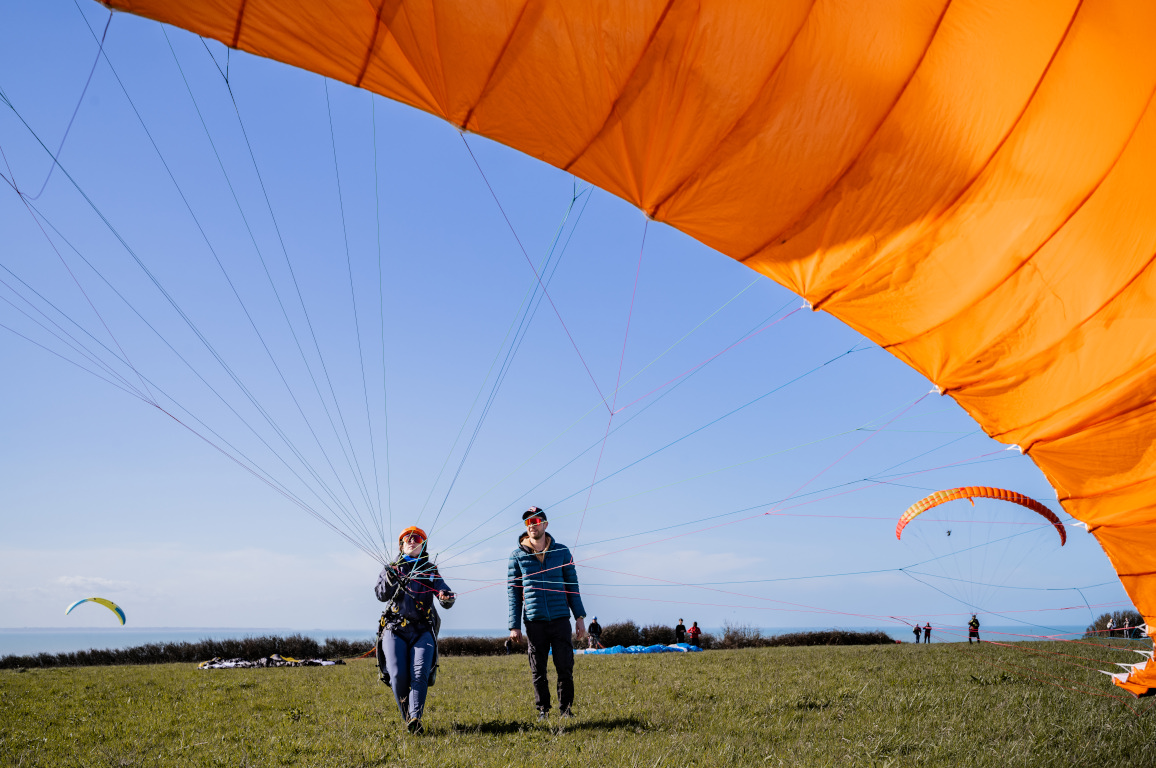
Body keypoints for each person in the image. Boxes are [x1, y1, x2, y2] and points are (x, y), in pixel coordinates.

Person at [508, 506, 587, 720]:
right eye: (528, 522)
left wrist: (579, 618)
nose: (532, 525)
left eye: (536, 521)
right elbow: (513, 593)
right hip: (535, 621)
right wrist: (514, 625)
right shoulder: (516, 556)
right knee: (538, 669)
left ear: (545, 524)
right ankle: (543, 710)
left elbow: (572, 586)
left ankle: (566, 710)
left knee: (565, 666)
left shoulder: (561, 552)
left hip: (561, 618)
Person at [375, 525, 455, 735]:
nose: (412, 540)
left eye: (417, 538)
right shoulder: (391, 568)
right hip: (395, 629)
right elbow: (381, 594)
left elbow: (442, 589)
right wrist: (391, 578)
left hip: (422, 629)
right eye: (407, 538)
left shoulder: (430, 569)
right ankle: (408, 718)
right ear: (401, 545)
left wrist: (446, 597)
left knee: (419, 674)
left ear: (422, 544)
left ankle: (415, 718)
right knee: (398, 675)